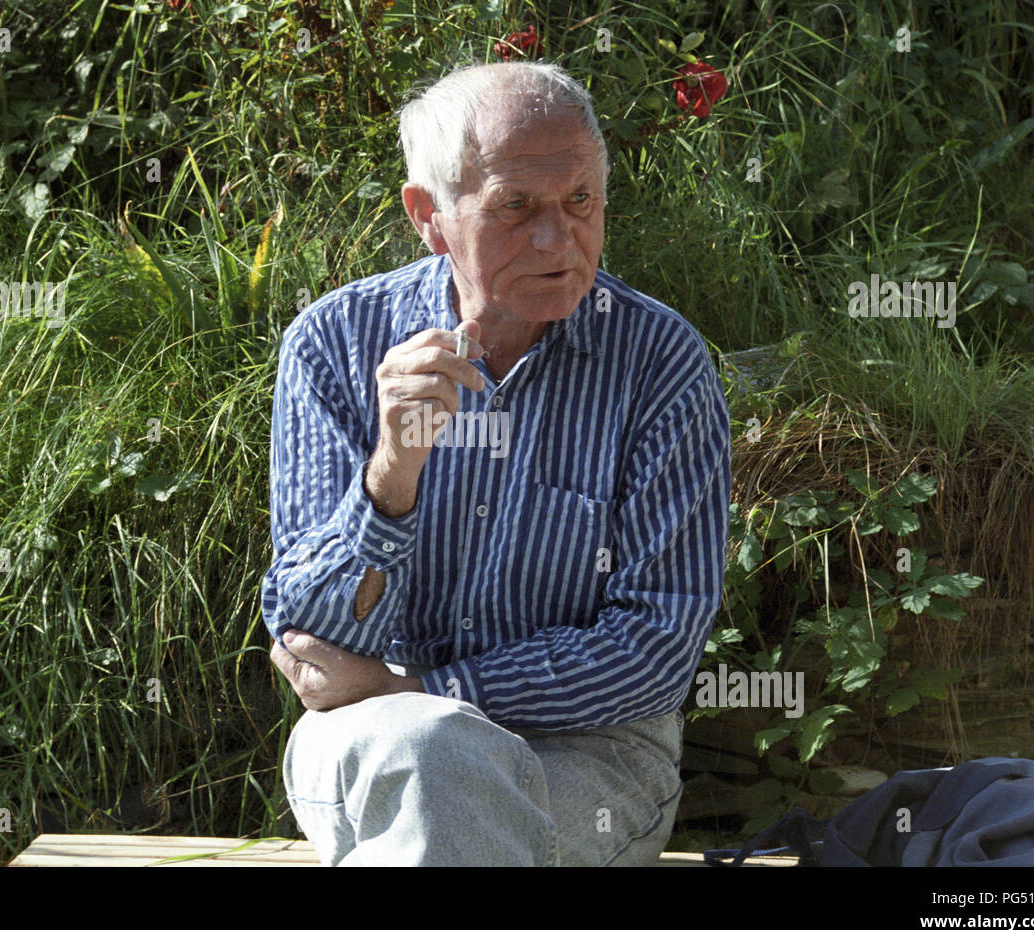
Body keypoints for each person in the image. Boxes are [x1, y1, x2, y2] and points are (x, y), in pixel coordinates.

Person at [260, 60, 731, 865]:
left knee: (443, 788)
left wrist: (426, 691)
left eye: (579, 202)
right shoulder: (333, 344)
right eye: (517, 207)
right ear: (429, 215)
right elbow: (309, 637)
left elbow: (654, 649)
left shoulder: (660, 364)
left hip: (588, 755)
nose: (559, 238)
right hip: (373, 739)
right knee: (428, 760)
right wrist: (391, 475)